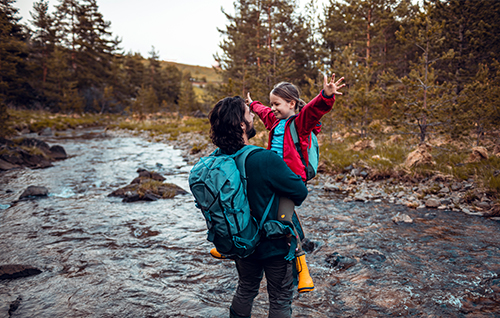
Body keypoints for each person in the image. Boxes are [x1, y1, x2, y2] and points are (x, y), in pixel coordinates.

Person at [208, 96, 308, 318]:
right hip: (275, 244)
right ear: (242, 125)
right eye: (248, 112)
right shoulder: (264, 158)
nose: (253, 115)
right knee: (280, 299)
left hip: (241, 241)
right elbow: (300, 192)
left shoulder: (217, 160)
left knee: (245, 289)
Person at [245, 74, 345, 293]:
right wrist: (252, 104)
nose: (272, 108)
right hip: (272, 178)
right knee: (258, 208)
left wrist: (326, 95)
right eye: (271, 104)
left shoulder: (300, 123)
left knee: (286, 219)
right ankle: (237, 241)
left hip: (290, 181)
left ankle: (302, 268)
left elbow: (313, 109)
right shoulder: (273, 120)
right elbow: (262, 111)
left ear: (291, 104)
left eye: (277, 104)